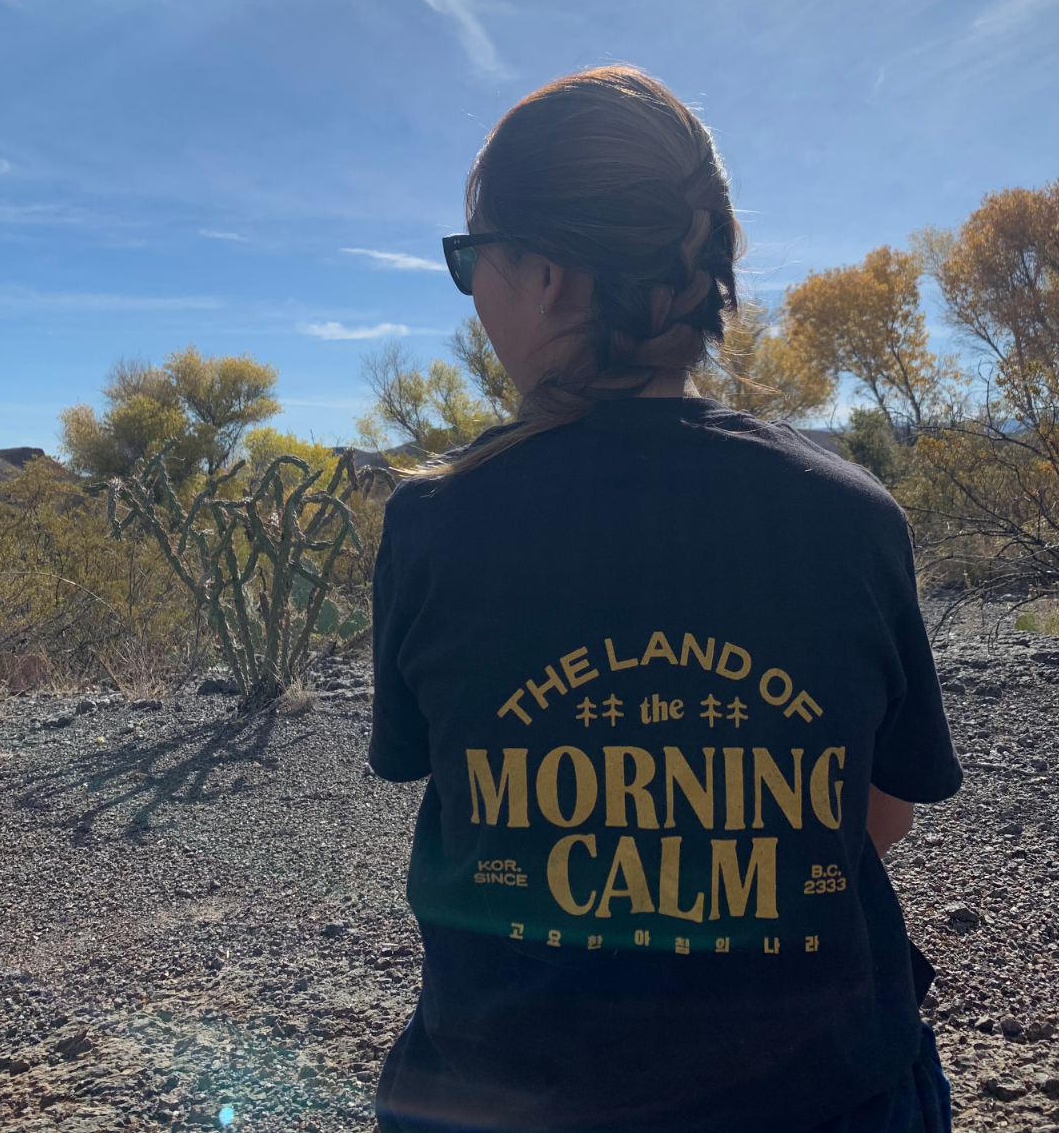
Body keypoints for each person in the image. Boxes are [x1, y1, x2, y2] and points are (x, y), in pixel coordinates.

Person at [369, 66, 961, 1133]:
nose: (473, 298)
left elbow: (451, 794)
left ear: (547, 274)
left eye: (471, 261)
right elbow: (878, 816)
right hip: (824, 1095)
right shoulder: (850, 514)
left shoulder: (435, 522)